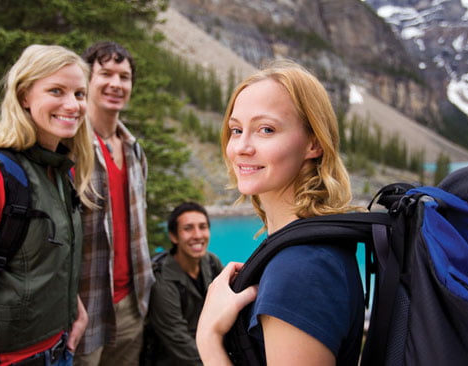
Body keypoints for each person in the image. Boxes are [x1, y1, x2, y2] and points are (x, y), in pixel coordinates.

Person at [196, 60, 365, 365]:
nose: (241, 147)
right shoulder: (308, 247)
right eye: (236, 129)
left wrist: (208, 338)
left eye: (266, 129)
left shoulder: (301, 269)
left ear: (313, 143)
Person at [0, 44, 95, 366]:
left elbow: (45, 258)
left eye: (79, 94)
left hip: (59, 349)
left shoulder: (59, 170)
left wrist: (74, 310)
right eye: (56, 90)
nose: (72, 104)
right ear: (24, 96)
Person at [75, 41, 154, 366]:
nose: (116, 84)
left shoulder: (134, 150)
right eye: (105, 74)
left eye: (124, 76)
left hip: (132, 306)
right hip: (83, 308)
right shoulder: (71, 147)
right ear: (87, 81)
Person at [146, 202, 223, 366]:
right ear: (174, 237)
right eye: (188, 228)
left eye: (202, 227)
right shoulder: (162, 279)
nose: (197, 235)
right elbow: (176, 338)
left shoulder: (211, 263)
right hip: (173, 359)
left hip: (207, 349)